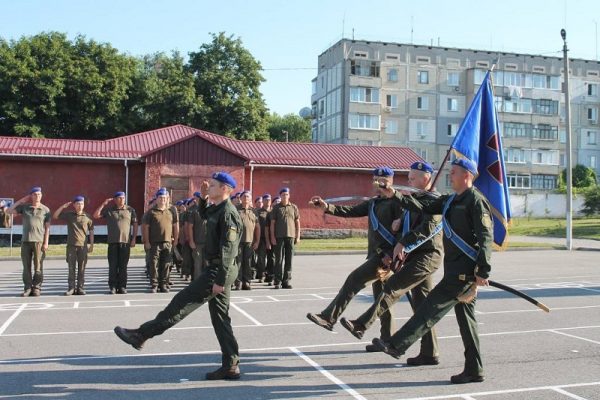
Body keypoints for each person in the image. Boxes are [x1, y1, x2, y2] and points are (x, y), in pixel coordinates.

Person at [372, 158, 493, 385]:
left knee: (429, 308)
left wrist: (482, 272)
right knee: (467, 323)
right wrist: (395, 194)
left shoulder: (475, 201)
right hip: (454, 270)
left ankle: (396, 344)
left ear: (467, 175)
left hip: (463, 274)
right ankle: (474, 369)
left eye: (454, 172)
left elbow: (486, 238)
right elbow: (424, 206)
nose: (450, 175)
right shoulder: (450, 201)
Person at [114, 171, 243, 380]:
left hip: (219, 270)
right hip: (219, 269)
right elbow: (205, 215)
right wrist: (203, 198)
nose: (209, 186)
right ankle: (231, 364)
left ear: (225, 189)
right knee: (220, 319)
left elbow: (228, 249)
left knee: (181, 303)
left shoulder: (228, 213)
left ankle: (141, 335)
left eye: (213, 185)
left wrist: (220, 280)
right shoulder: (218, 208)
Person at [337, 162, 444, 363]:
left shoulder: (434, 201)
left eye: (413, 178)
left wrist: (403, 241)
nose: (410, 181)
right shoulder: (417, 199)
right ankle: (430, 352)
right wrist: (399, 222)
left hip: (427, 255)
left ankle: (362, 324)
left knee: (393, 287)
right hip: (414, 255)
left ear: (426, 178)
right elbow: (407, 216)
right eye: (409, 177)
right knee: (422, 307)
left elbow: (427, 228)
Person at [306, 167, 403, 330]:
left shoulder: (397, 202)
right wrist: (327, 207)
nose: (379, 183)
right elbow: (350, 211)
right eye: (376, 180)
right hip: (375, 255)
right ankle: (387, 339)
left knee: (354, 279)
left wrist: (391, 254)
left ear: (391, 181)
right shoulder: (373, 203)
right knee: (381, 297)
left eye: (383, 180)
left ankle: (329, 317)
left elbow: (402, 231)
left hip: (385, 259)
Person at [8, 187, 51, 297]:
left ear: (41, 196)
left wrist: (46, 242)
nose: (37, 196)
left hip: (39, 241)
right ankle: (27, 288)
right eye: (35, 194)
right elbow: (9, 211)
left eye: (39, 194)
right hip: (25, 241)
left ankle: (36, 288)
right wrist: (21, 201)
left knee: (38, 266)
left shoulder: (45, 210)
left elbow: (47, 228)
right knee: (26, 266)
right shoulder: (24, 207)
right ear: (31, 196)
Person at [93, 191, 138, 294]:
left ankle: (122, 286)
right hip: (113, 242)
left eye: (123, 198)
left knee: (123, 266)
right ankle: (112, 286)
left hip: (125, 242)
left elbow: (135, 224)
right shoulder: (109, 210)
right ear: (115, 200)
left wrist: (134, 238)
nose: (122, 200)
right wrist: (103, 204)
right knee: (113, 266)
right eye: (120, 198)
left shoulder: (130, 210)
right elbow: (96, 215)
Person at [54, 196, 94, 295]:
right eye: (78, 204)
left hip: (83, 247)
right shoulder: (69, 215)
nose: (80, 206)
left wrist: (92, 244)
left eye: (82, 204)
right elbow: (55, 216)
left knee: (82, 268)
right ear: (74, 205)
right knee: (71, 268)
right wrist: (63, 207)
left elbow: (91, 231)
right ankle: (71, 288)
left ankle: (80, 288)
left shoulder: (87, 217)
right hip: (71, 246)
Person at [142, 188, 179, 293]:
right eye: (160, 198)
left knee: (166, 264)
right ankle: (154, 285)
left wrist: (176, 239)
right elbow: (145, 228)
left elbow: (176, 226)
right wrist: (147, 242)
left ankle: (163, 284)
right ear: (157, 199)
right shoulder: (151, 212)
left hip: (167, 242)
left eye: (164, 198)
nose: (163, 200)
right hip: (154, 243)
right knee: (154, 264)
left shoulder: (171, 211)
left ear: (167, 199)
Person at [269, 188, 300, 289]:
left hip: (290, 237)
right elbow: (272, 224)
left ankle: (286, 281)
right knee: (278, 260)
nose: (285, 196)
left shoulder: (294, 207)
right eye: (283, 195)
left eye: (286, 194)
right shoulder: (276, 208)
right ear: (280, 196)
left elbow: (297, 222)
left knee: (289, 260)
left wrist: (298, 236)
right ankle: (277, 281)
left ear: (289, 196)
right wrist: (272, 237)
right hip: (279, 237)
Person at [235, 191, 260, 290]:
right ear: (241, 198)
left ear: (250, 199)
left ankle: (247, 282)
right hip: (238, 241)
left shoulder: (254, 211)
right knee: (238, 262)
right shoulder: (236, 209)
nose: (246, 198)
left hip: (250, 241)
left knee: (248, 263)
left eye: (248, 197)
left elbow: (257, 227)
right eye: (244, 196)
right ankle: (238, 282)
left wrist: (257, 241)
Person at [187, 192, 207, 280]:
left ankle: (206, 283)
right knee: (197, 264)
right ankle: (197, 284)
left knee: (207, 264)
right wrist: (191, 241)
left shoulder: (211, 210)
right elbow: (190, 227)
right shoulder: (194, 211)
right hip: (197, 242)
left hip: (209, 243)